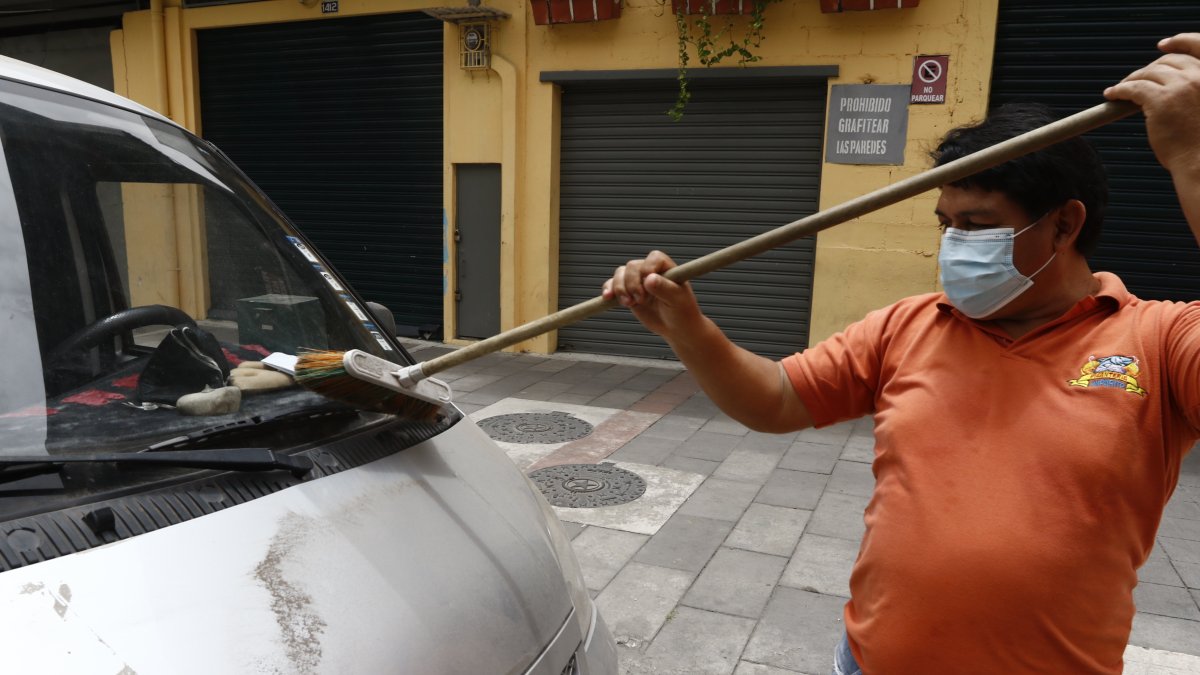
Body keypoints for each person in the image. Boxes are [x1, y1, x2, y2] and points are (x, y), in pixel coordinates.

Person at [601, 33, 1200, 675]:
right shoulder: (909, 326)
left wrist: (1192, 160)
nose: (953, 245)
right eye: (946, 224)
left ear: (1064, 224)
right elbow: (775, 399)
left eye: (976, 225)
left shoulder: (1157, 343)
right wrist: (686, 327)